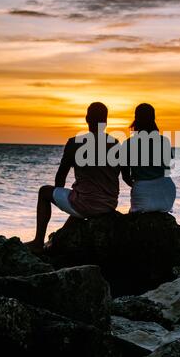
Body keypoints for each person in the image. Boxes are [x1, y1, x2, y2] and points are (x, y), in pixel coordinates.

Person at [27, 102, 120, 253]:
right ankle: (60, 236)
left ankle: (38, 242)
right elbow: (116, 175)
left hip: (85, 205)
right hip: (109, 205)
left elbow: (61, 177)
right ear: (106, 121)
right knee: (81, 199)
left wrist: (62, 193)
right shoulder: (115, 143)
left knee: (44, 192)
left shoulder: (75, 143)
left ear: (87, 119)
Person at [121, 103, 176, 213]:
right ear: (153, 119)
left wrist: (139, 185)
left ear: (136, 119)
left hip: (142, 194)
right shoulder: (164, 141)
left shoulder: (128, 144)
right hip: (167, 193)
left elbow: (125, 177)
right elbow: (168, 169)